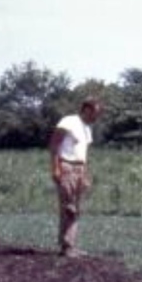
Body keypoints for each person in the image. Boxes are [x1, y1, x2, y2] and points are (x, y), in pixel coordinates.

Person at [48, 97, 103, 258]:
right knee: (68, 207)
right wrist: (55, 168)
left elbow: (84, 154)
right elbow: (54, 145)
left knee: (76, 209)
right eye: (95, 113)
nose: (96, 117)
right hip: (66, 165)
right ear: (86, 109)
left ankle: (69, 246)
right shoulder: (69, 121)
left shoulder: (87, 129)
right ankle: (66, 246)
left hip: (79, 168)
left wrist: (85, 175)